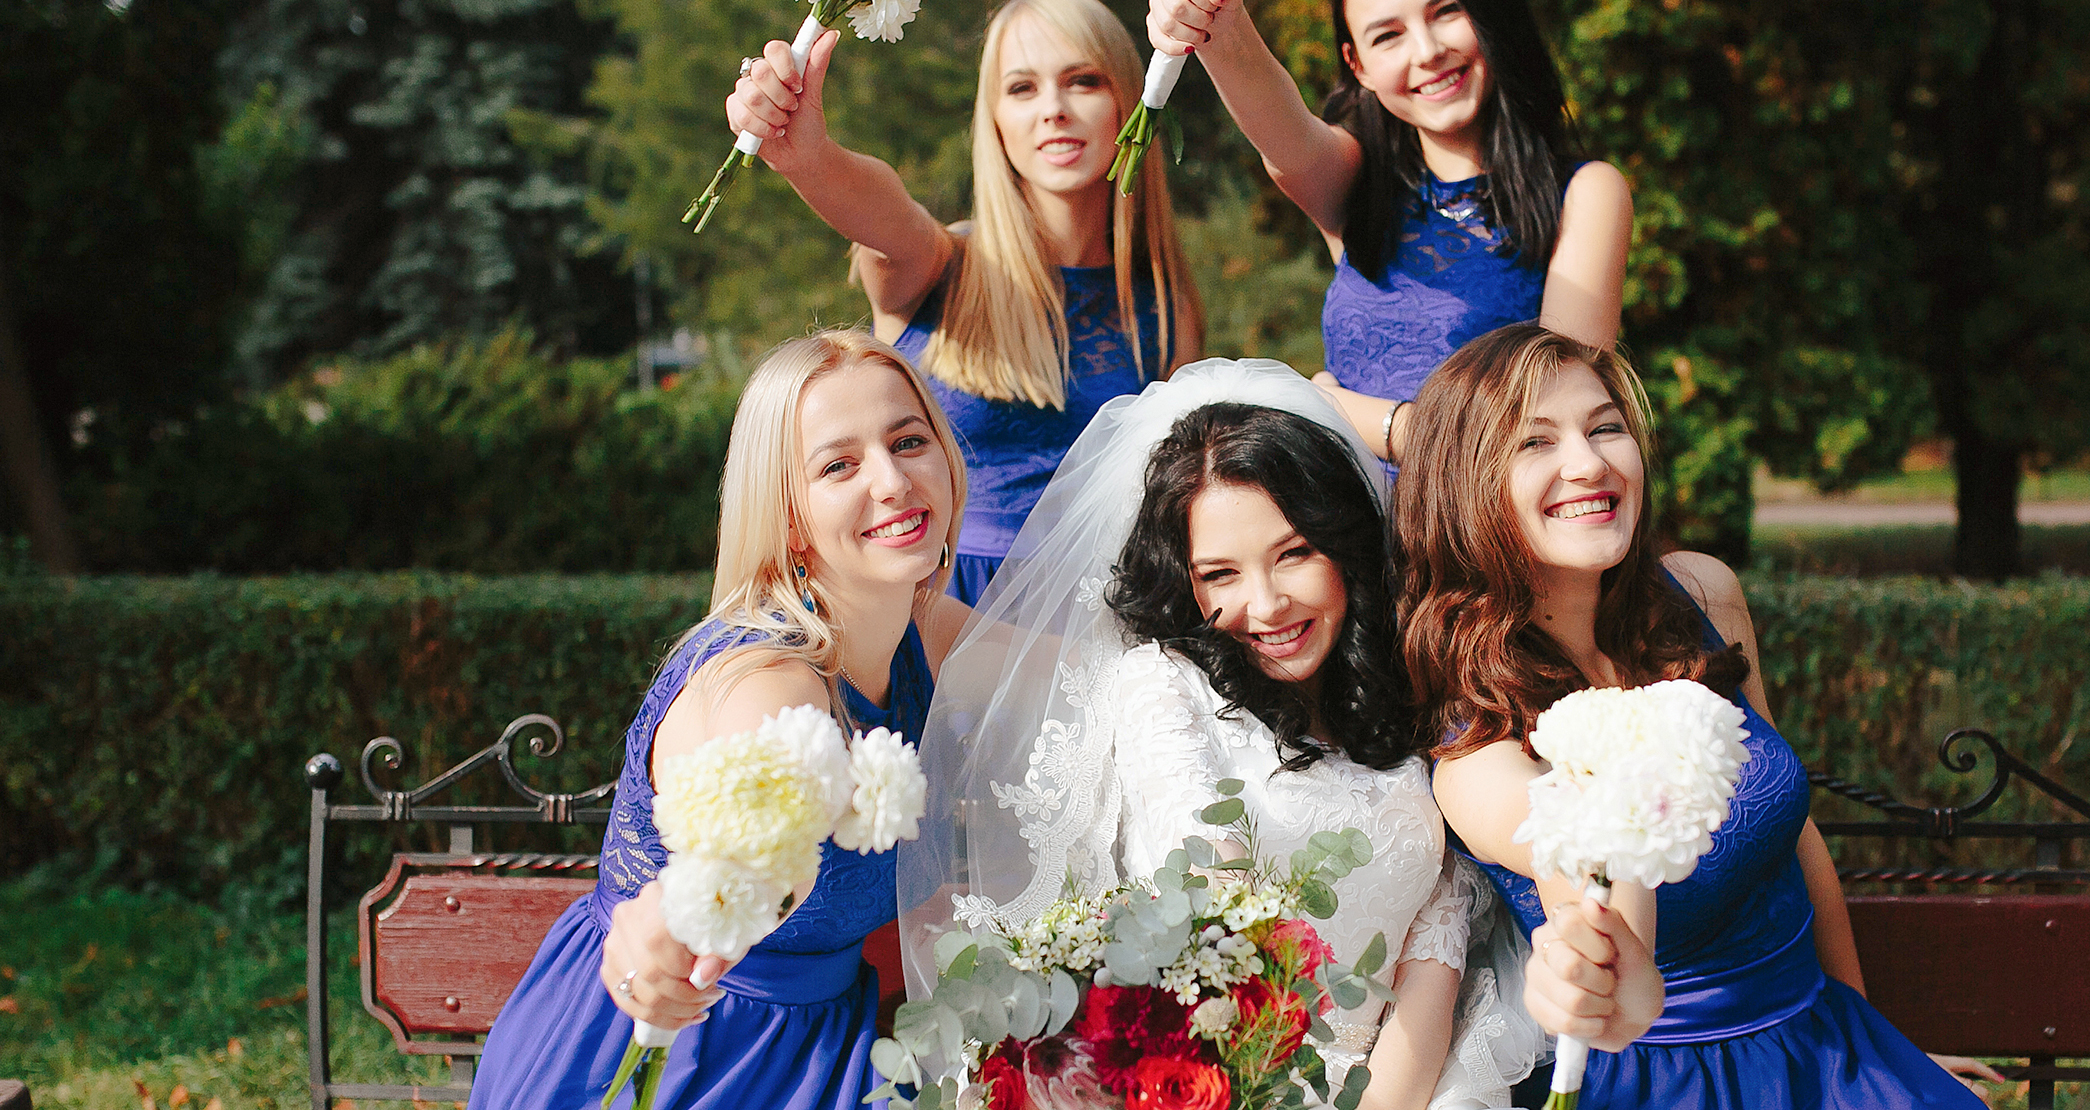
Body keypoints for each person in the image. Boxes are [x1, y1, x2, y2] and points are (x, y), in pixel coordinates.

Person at [1391, 322, 2001, 1107]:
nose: (1589, 462)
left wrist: (1877, 1052)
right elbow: (1597, 922)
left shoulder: (1701, 595)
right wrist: (1589, 972)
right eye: (1534, 443)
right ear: (1463, 484)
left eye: (1605, 427)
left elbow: (1797, 839)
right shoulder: (1479, 743)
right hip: (1675, 1081)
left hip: (1825, 1041)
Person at [902, 360, 1541, 1109]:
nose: (1265, 604)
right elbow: (1207, 882)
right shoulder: (1165, 688)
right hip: (1209, 1081)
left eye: (1295, 553)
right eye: (1221, 574)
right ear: (1186, 581)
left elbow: (1431, 974)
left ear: (1346, 546)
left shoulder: (1417, 707)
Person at [469, 331, 977, 1110]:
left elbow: (1097, 670)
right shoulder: (771, 684)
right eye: (839, 464)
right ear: (788, 512)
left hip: (821, 1054)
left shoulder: (928, 629)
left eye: (909, 441)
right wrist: (653, 929)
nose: (892, 480)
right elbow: (711, 861)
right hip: (677, 1057)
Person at [728, 0, 1206, 604]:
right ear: (995, 120)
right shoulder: (937, 263)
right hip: (939, 615)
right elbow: (881, 208)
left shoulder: (1163, 301)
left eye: (1083, 80)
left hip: (1103, 619)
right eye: (1022, 88)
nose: (1054, 109)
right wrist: (808, 157)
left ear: (1130, 99)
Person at [1143, 0, 1630, 462]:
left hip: (1487, 534)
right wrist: (1212, 22)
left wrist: (1338, 409)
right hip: (1345, 529)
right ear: (1359, 65)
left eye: (1446, 11)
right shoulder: (1358, 183)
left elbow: (1562, 420)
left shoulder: (1586, 194)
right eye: (1388, 36)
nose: (1426, 52)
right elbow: (1283, 131)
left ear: (1489, 14)